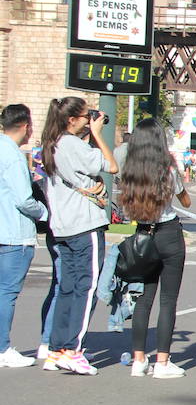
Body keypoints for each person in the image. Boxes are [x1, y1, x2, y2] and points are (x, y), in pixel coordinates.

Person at [39, 97, 118, 375]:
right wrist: (97, 134)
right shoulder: (73, 144)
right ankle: (73, 349)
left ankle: (56, 347)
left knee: (67, 287)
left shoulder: (52, 142)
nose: (89, 121)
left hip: (62, 226)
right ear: (72, 120)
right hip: (84, 224)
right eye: (86, 117)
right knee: (86, 288)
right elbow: (111, 165)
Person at [119, 119, 192, 379]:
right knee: (168, 300)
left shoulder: (131, 170)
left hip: (142, 235)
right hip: (169, 234)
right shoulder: (168, 167)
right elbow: (186, 199)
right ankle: (162, 361)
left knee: (143, 299)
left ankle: (139, 358)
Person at [0, 104, 47, 368]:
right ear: (25, 126)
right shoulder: (14, 156)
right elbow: (23, 199)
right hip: (14, 234)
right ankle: (3, 348)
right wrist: (44, 213)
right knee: (6, 293)